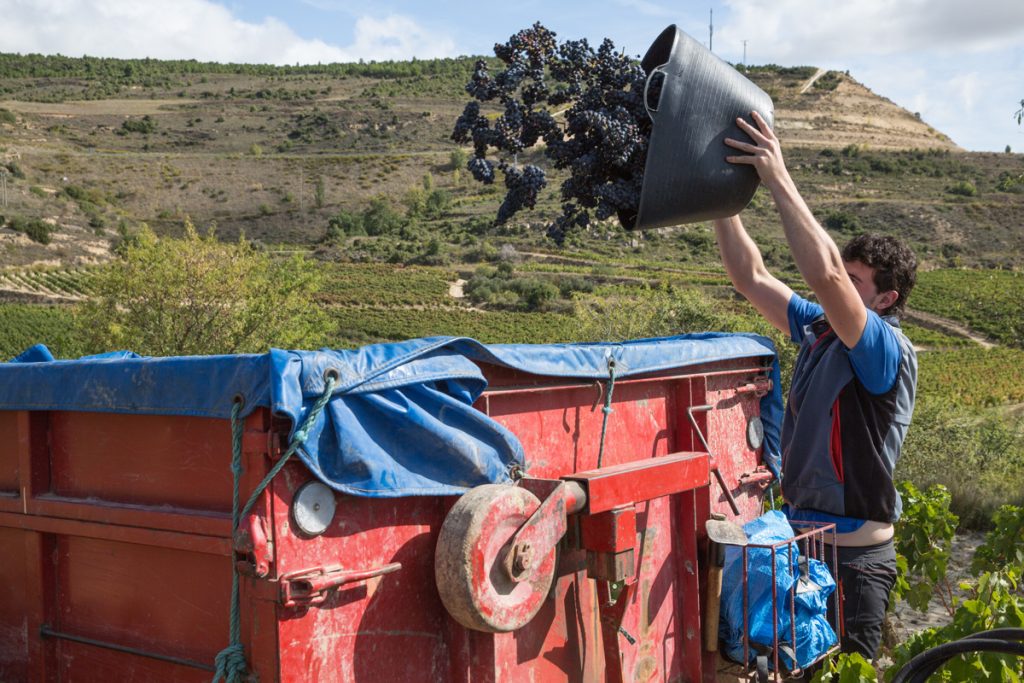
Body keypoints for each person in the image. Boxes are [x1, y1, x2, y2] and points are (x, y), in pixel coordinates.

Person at [712, 111, 918, 662]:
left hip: (853, 566)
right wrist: (722, 205)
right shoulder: (819, 329)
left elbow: (824, 276)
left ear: (885, 300)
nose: (838, 293)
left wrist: (778, 178)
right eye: (844, 278)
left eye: (856, 285)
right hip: (802, 554)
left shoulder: (881, 347)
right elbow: (750, 278)